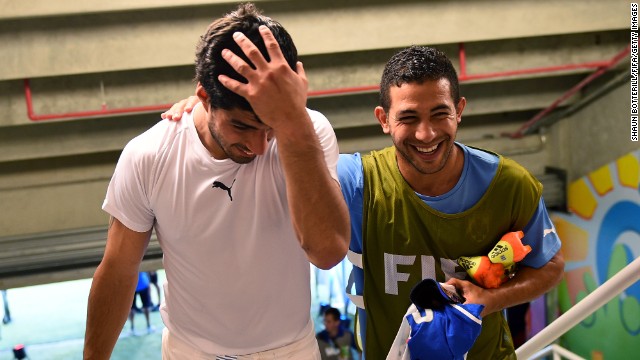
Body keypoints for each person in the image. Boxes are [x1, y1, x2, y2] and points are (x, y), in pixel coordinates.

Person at [163, 46, 565, 358]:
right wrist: (209, 111)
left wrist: (490, 299)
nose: (425, 134)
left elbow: (549, 266)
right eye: (408, 118)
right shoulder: (356, 183)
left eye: (439, 114)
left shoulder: (510, 184)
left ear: (459, 111)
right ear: (383, 119)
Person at [83, 3, 349, 359]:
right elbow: (117, 270)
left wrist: (291, 122)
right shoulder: (149, 154)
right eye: (242, 126)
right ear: (204, 98)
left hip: (291, 349)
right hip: (190, 350)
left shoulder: (308, 131)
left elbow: (328, 251)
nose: (258, 146)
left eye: (268, 127)